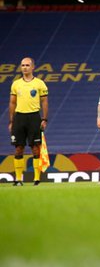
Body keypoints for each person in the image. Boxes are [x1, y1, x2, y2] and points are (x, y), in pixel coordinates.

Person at [8, 57, 48, 186]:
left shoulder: (39, 83)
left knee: (35, 148)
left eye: (27, 65)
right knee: (19, 148)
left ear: (33, 67)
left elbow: (44, 101)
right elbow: (12, 102)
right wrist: (11, 121)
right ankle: (18, 179)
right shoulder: (16, 84)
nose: (24, 67)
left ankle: (36, 179)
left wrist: (44, 118)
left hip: (34, 117)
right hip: (19, 118)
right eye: (22, 65)